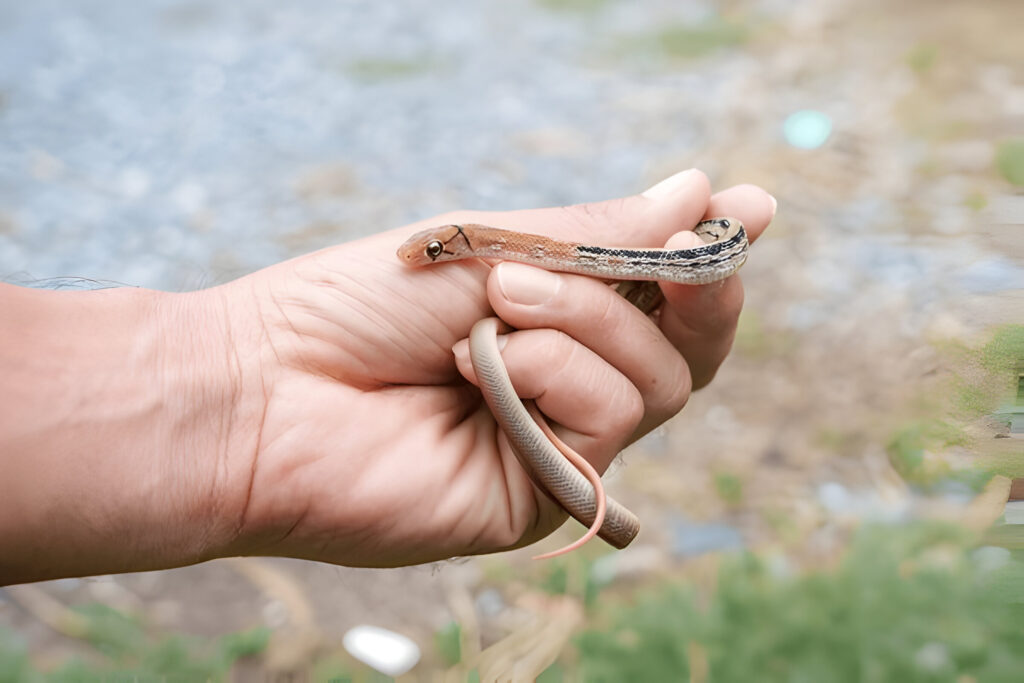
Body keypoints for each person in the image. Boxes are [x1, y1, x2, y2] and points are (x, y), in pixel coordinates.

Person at [0, 169, 775, 585]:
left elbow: (629, 252)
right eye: (438, 251)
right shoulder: (494, 258)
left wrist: (245, 392)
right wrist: (243, 388)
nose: (423, 259)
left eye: (439, 251)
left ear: (477, 243)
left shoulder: (533, 250)